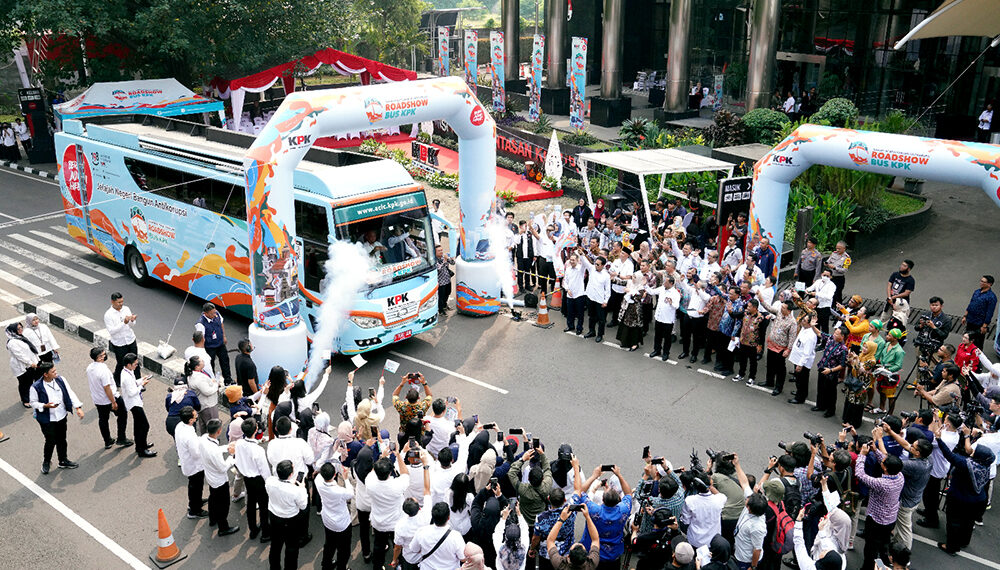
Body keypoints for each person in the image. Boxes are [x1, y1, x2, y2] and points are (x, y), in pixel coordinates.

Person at [934, 423, 993, 555]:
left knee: (954, 522)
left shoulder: (966, 465)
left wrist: (938, 439)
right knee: (968, 522)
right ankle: (964, 541)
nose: (972, 451)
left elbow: (949, 455)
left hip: (960, 499)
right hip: (977, 500)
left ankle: (951, 546)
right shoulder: (985, 465)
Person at [854, 441, 904, 570]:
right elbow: (886, 461)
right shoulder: (900, 476)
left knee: (871, 548)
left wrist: (862, 455)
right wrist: (876, 450)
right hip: (890, 519)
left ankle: (869, 568)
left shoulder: (881, 483)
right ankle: (884, 564)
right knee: (883, 544)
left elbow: (860, 474)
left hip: (876, 521)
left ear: (885, 468)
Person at [29, 361, 84, 474]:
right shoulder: (36, 387)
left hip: (61, 416)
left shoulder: (61, 380)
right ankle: (46, 461)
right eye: (53, 371)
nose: (56, 372)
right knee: (50, 440)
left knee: (62, 439)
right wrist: (45, 405)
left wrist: (78, 407)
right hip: (47, 419)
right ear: (45, 374)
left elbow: (70, 393)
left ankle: (63, 460)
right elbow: (33, 403)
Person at [368, 447, 412, 570]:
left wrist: (382, 457)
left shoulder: (369, 482)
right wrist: (398, 455)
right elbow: (405, 474)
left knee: (378, 545)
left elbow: (372, 473)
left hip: (378, 522)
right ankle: (399, 564)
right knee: (398, 544)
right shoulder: (396, 485)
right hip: (395, 522)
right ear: (390, 473)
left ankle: (377, 566)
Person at [266, 459, 310, 569]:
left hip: (274, 516)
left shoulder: (270, 481)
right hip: (290, 520)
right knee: (291, 547)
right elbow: (303, 506)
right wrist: (302, 489)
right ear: (291, 474)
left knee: (275, 546)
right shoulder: (295, 491)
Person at [235, 417, 272, 542]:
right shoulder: (258, 449)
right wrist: (268, 482)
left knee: (250, 504)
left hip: (247, 478)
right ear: (256, 430)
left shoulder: (239, 443)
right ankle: (266, 532)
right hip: (258, 480)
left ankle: (253, 530)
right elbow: (264, 470)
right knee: (263, 506)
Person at [86, 346, 131, 449]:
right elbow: (107, 388)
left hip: (98, 399)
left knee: (103, 419)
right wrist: (113, 402)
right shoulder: (103, 370)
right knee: (122, 414)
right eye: (103, 354)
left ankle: (108, 441)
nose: (105, 356)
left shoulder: (89, 368)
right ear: (99, 357)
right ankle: (121, 438)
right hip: (110, 398)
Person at [200, 418, 239, 536]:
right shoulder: (214, 451)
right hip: (219, 480)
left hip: (210, 477)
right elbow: (222, 468)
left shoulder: (203, 439)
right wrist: (231, 457)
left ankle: (213, 519)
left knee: (213, 499)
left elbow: (216, 449)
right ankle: (223, 527)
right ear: (219, 431)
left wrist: (226, 447)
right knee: (224, 504)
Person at [403, 502, 468, 569]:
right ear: (448, 517)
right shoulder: (456, 536)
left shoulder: (421, 532)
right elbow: (462, 558)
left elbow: (414, 549)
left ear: (432, 517)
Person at [316, 461, 355, 570]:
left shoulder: (318, 481)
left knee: (329, 544)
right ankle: (341, 567)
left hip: (327, 519)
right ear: (334, 475)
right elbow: (351, 494)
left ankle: (326, 564)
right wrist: (346, 478)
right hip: (342, 523)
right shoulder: (339, 491)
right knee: (344, 549)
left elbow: (320, 467)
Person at [120, 353, 156, 458]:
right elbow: (132, 392)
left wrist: (141, 380)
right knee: (145, 426)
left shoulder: (128, 371)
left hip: (135, 402)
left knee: (138, 425)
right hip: (134, 403)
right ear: (129, 364)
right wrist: (142, 386)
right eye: (135, 364)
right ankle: (142, 449)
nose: (137, 365)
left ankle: (140, 445)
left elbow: (133, 383)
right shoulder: (126, 376)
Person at [810, 325, 848, 418]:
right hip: (822, 367)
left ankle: (830, 410)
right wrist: (812, 325)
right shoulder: (831, 338)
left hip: (831, 373)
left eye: (837, 333)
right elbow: (820, 333)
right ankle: (820, 405)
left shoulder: (843, 349)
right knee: (821, 388)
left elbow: (842, 365)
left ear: (842, 336)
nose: (834, 334)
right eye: (835, 332)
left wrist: (830, 370)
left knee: (830, 392)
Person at [547, 503, 600, 570]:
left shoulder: (560, 565)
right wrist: (587, 517)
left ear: (568, 556)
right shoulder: (591, 565)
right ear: (586, 557)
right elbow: (595, 539)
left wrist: (561, 519)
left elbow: (550, 540)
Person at [104, 292, 138, 386]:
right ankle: (117, 379)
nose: (121, 304)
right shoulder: (108, 315)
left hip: (130, 339)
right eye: (118, 302)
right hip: (119, 343)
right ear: (112, 302)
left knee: (135, 360)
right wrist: (124, 322)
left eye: (122, 302)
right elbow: (112, 331)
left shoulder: (126, 309)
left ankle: (137, 380)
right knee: (122, 363)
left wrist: (132, 320)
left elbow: (131, 325)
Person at [788, 314, 820, 405]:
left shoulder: (810, 336)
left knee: (801, 380)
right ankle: (800, 392)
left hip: (802, 361)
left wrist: (800, 364)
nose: (802, 321)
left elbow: (807, 353)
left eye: (805, 321)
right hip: (798, 358)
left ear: (810, 324)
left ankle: (800, 397)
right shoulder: (804, 328)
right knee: (799, 379)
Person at [648, 275, 681, 360]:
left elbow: (677, 306)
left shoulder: (675, 293)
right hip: (659, 317)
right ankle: (657, 350)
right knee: (657, 335)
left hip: (668, 320)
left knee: (667, 338)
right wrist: (645, 285)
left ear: (671, 283)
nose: (663, 283)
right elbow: (652, 292)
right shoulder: (662, 288)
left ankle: (666, 353)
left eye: (665, 282)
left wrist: (671, 303)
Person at [7, 321, 40, 407]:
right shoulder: (12, 342)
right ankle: (25, 400)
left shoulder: (21, 337)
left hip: (30, 364)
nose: (20, 330)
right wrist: (30, 363)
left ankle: (33, 396)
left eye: (21, 327)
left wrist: (35, 360)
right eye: (18, 329)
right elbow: (20, 355)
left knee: (31, 381)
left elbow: (30, 350)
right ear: (13, 330)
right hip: (21, 367)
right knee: (24, 384)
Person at [580, 255, 611, 343]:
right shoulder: (592, 269)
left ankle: (600, 334)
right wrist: (580, 253)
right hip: (590, 297)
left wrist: (606, 301)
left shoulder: (606, 276)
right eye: (595, 264)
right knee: (591, 316)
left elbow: (608, 290)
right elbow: (585, 261)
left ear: (603, 265)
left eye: (598, 264)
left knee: (601, 319)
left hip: (600, 300)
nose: (596, 266)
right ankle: (591, 331)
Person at [186, 355, 219, 433]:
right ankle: (211, 440)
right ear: (197, 367)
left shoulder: (195, 374)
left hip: (203, 404)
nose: (203, 361)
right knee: (212, 425)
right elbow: (207, 391)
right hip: (208, 405)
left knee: (203, 424)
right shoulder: (198, 379)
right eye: (201, 361)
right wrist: (216, 385)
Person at [962, 275, 997, 349]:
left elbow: (989, 313)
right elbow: (971, 304)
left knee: (977, 343)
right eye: (981, 281)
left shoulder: (991, 297)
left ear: (989, 284)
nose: (981, 283)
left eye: (983, 282)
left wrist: (984, 326)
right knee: (967, 339)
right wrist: (965, 316)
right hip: (970, 320)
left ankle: (977, 359)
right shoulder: (977, 292)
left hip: (979, 324)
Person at [563, 253, 588, 335]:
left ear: (577, 260)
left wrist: (582, 254)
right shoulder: (568, 269)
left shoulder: (581, 269)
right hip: (570, 295)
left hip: (579, 295)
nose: (571, 261)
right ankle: (570, 326)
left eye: (573, 260)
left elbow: (585, 263)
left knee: (580, 314)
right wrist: (567, 289)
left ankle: (579, 328)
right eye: (571, 260)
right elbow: (565, 281)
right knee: (570, 312)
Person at [824, 242, 851, 308]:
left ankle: (839, 309)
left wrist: (835, 267)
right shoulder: (834, 254)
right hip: (830, 277)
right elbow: (828, 261)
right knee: (829, 293)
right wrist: (826, 264)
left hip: (839, 278)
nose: (837, 250)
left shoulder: (846, 258)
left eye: (839, 249)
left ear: (844, 249)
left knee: (837, 294)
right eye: (837, 248)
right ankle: (830, 307)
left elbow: (844, 270)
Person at [436, 245, 456, 313]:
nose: (441, 252)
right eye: (439, 251)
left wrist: (450, 259)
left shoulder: (444, 257)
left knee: (447, 293)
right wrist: (444, 262)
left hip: (447, 279)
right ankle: (441, 310)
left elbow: (453, 263)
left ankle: (445, 305)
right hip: (441, 282)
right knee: (441, 296)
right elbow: (438, 269)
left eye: (441, 250)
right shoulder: (434, 260)